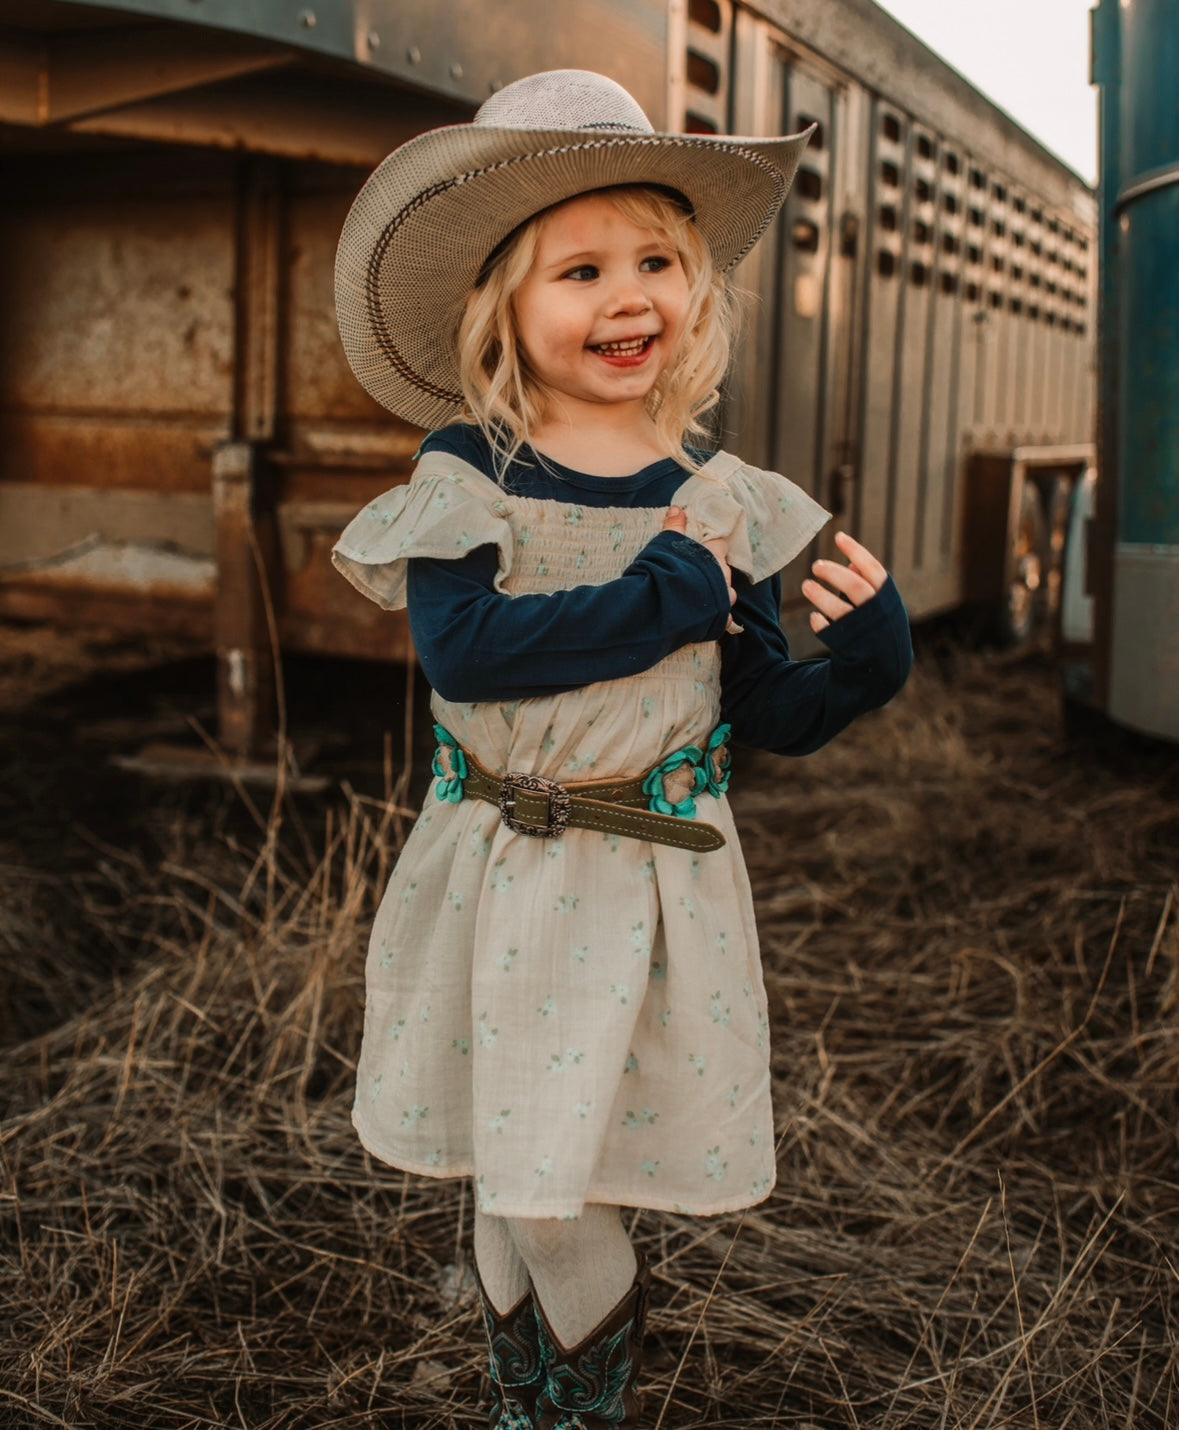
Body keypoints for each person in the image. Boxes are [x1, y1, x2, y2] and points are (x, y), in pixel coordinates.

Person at [331, 69, 912, 1429]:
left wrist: (864, 668)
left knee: (557, 1179)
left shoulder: (716, 497)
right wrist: (659, 593)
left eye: (656, 259)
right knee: (508, 1166)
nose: (626, 296)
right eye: (578, 269)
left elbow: (758, 705)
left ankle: (566, 1411)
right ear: (503, 308)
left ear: (697, 290)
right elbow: (466, 648)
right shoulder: (470, 473)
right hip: (494, 867)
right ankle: (526, 1400)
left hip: (646, 886)